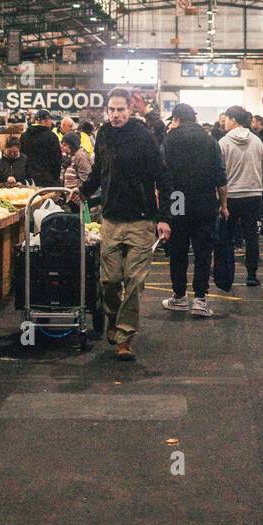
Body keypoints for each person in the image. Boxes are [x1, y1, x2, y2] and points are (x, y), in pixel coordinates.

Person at [78, 87, 173, 360]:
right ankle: (113, 318)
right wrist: (83, 190)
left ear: (131, 109)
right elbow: (99, 171)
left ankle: (125, 336)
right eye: (112, 110)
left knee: (134, 281)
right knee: (109, 280)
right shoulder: (104, 134)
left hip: (141, 221)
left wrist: (164, 218)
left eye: (121, 110)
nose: (116, 115)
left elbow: (164, 178)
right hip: (109, 219)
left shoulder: (144, 137)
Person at [161, 103, 226, 317]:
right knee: (203, 251)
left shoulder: (169, 140)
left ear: (177, 119)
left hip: (178, 199)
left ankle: (179, 297)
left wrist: (162, 209)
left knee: (178, 249)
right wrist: (224, 205)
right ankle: (200, 299)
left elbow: (162, 176)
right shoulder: (210, 140)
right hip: (205, 200)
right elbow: (220, 176)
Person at [219, 105, 263, 287]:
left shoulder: (223, 143)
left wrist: (219, 197)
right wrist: (259, 188)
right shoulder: (257, 141)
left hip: (230, 195)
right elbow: (262, 170)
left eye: (226, 119)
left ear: (233, 120)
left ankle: (225, 274)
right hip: (253, 194)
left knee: (226, 236)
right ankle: (252, 274)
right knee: (251, 235)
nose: (224, 122)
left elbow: (219, 172)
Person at [20, 109, 63, 185]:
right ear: (44, 121)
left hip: (28, 179)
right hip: (47, 180)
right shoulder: (51, 137)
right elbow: (57, 160)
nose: (51, 122)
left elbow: (21, 156)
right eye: (50, 120)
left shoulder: (24, 136)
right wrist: (56, 179)